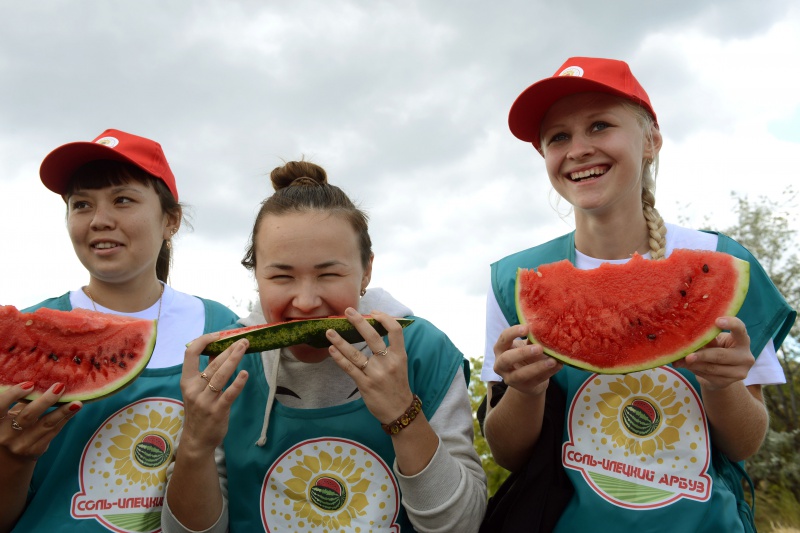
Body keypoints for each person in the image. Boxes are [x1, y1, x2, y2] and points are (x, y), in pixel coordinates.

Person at [481, 57, 796, 532]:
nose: (578, 149)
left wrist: (722, 385)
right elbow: (508, 454)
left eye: (600, 126)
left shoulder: (722, 260)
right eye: (558, 137)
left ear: (651, 141)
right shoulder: (514, 280)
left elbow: (745, 443)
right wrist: (525, 392)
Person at [162, 161, 487, 532]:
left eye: (329, 274)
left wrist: (403, 413)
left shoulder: (423, 351)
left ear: (366, 271)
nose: (305, 302)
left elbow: (462, 524)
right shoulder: (228, 364)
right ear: (256, 276)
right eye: (281, 276)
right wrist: (195, 445)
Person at [0, 129, 239, 533]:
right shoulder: (20, 336)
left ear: (170, 221)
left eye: (123, 200)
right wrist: (11, 459)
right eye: (81, 204)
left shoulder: (223, 329)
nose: (99, 220)